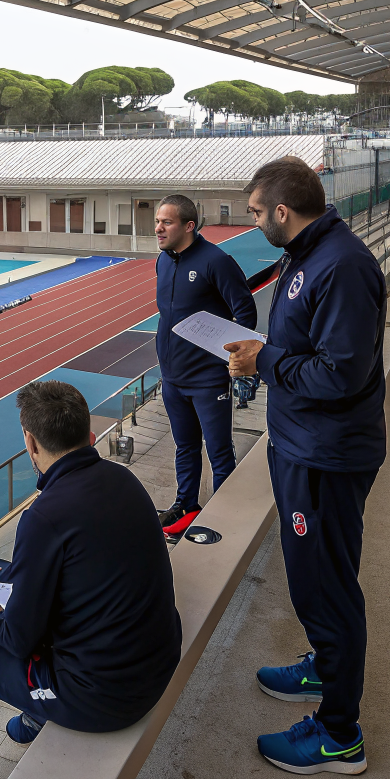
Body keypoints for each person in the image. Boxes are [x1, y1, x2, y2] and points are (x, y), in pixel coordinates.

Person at [0, 380, 182, 779]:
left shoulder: (44, 518)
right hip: (157, 663)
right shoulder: (122, 478)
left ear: (31, 443)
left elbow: (17, 640)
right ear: (87, 433)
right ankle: (37, 714)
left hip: (104, 698)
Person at [224, 157, 385, 776]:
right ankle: (325, 664)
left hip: (325, 456)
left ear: (283, 211)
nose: (254, 219)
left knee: (327, 588)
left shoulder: (341, 265)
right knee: (315, 581)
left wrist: (264, 364)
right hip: (304, 446)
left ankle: (340, 736)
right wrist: (268, 356)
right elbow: (309, 350)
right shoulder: (310, 254)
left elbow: (342, 372)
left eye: (258, 211)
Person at [154, 194, 257, 536]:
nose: (158, 228)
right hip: (172, 377)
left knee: (218, 450)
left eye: (166, 222)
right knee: (184, 446)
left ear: (188, 226)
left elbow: (245, 311)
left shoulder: (216, 261)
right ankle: (187, 502)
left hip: (208, 380)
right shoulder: (163, 261)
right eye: (157, 221)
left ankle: (224, 513)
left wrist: (231, 358)